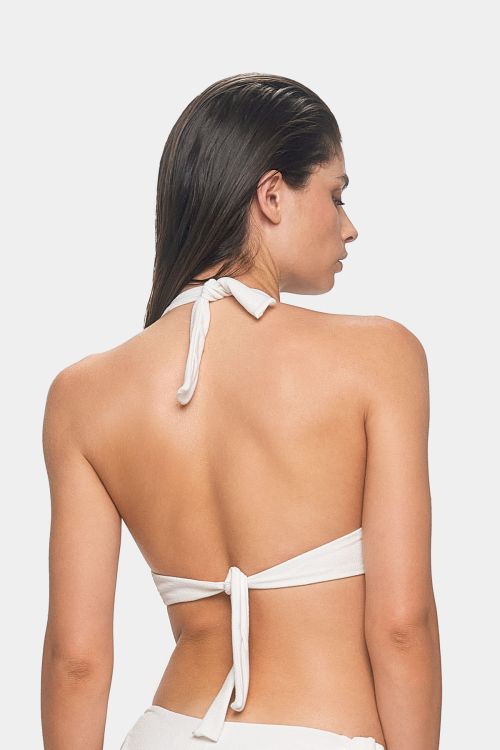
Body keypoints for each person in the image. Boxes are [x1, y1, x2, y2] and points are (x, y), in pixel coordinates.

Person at [41, 73, 442, 750]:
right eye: (336, 195)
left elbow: (75, 661)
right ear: (272, 194)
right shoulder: (380, 357)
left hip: (167, 731)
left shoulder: (82, 395)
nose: (349, 227)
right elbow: (403, 626)